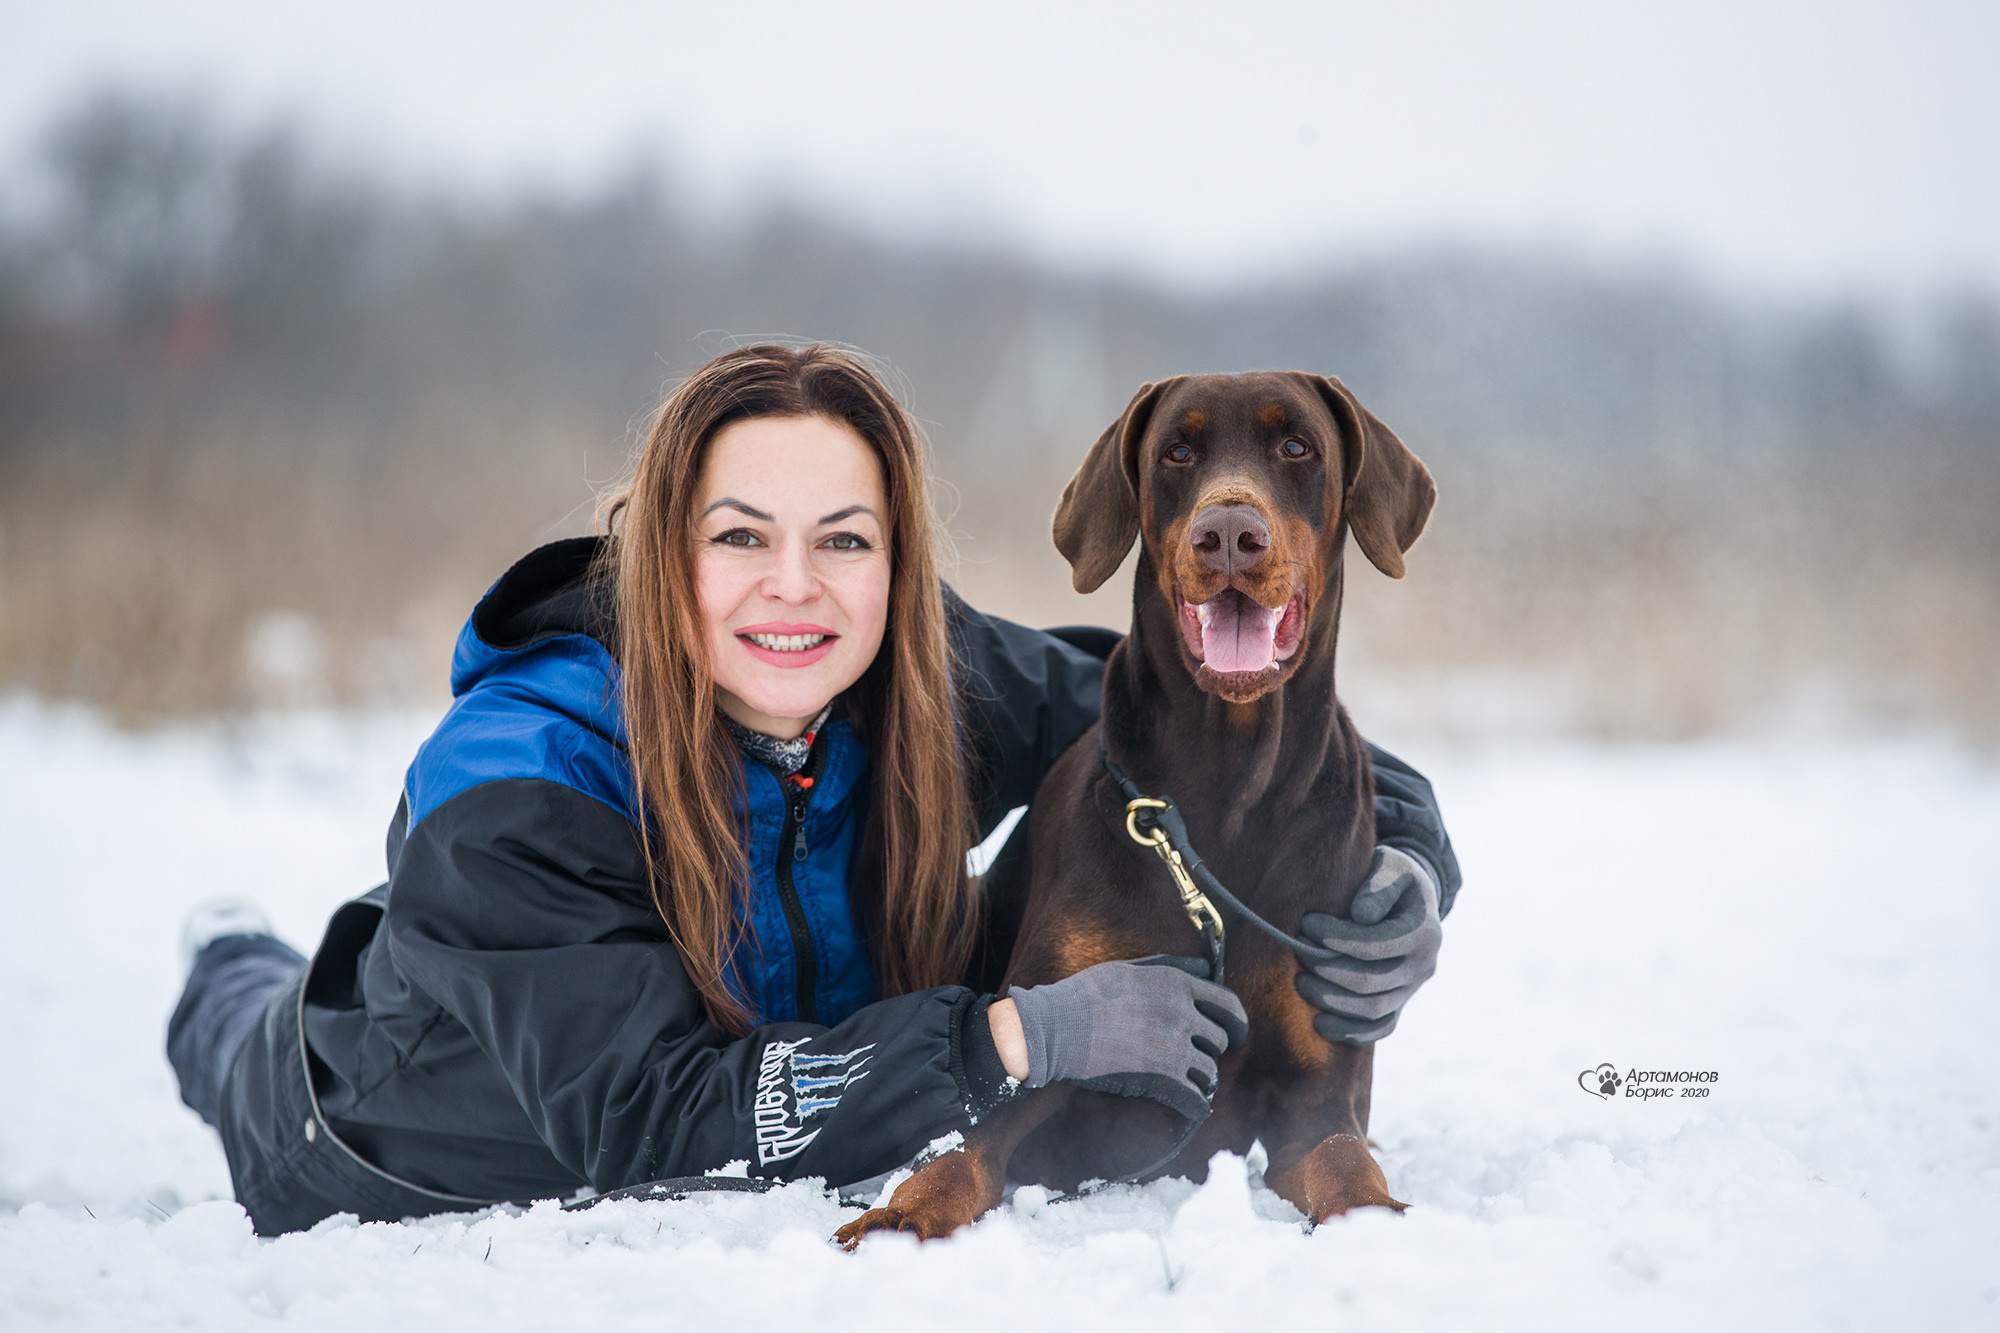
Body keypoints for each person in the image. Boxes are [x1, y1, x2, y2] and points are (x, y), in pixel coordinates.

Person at [167, 344, 1461, 1235]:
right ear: (660, 544)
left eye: (843, 539)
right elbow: (653, 1120)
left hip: (786, 1037)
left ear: (896, 559)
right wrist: (1013, 1039)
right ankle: (227, 959)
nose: (796, 585)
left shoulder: (910, 664)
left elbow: (1183, 717)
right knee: (244, 1016)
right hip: (370, 1121)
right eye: (741, 535)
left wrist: (1403, 860)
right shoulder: (512, 786)